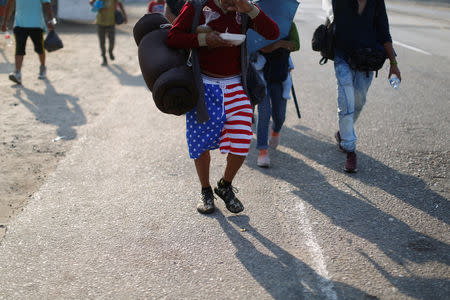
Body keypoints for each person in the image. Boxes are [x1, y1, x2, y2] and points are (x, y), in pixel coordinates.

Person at [166, 0, 279, 214]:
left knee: (242, 140)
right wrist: (203, 39)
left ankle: (224, 186)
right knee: (200, 143)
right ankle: (206, 190)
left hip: (236, 85)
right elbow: (173, 38)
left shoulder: (244, 9)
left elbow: (273, 32)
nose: (232, 3)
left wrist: (250, 9)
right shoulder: (197, 6)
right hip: (204, 85)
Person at [329, 0, 401, 172]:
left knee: (358, 102)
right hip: (343, 57)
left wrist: (393, 63)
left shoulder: (376, 2)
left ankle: (343, 133)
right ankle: (350, 150)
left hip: (366, 60)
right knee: (346, 102)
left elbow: (384, 32)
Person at [256, 22, 299, 168]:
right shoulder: (258, 19)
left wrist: (278, 44)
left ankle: (275, 131)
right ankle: (262, 150)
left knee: (279, 115)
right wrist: (272, 46)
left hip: (280, 76)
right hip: (260, 76)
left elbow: (296, 44)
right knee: (264, 113)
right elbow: (256, 46)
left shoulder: (288, 23)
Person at [1, 0, 55, 84]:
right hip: (19, 24)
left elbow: (47, 4)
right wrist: (5, 22)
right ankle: (17, 73)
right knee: (19, 49)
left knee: (40, 48)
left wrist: (51, 21)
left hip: (36, 24)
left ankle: (43, 66)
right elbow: (10, 4)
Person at [89, 0, 127, 66]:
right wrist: (97, 7)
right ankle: (104, 58)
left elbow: (120, 4)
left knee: (112, 40)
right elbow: (91, 3)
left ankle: (110, 51)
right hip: (100, 23)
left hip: (111, 23)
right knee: (102, 42)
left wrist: (124, 16)